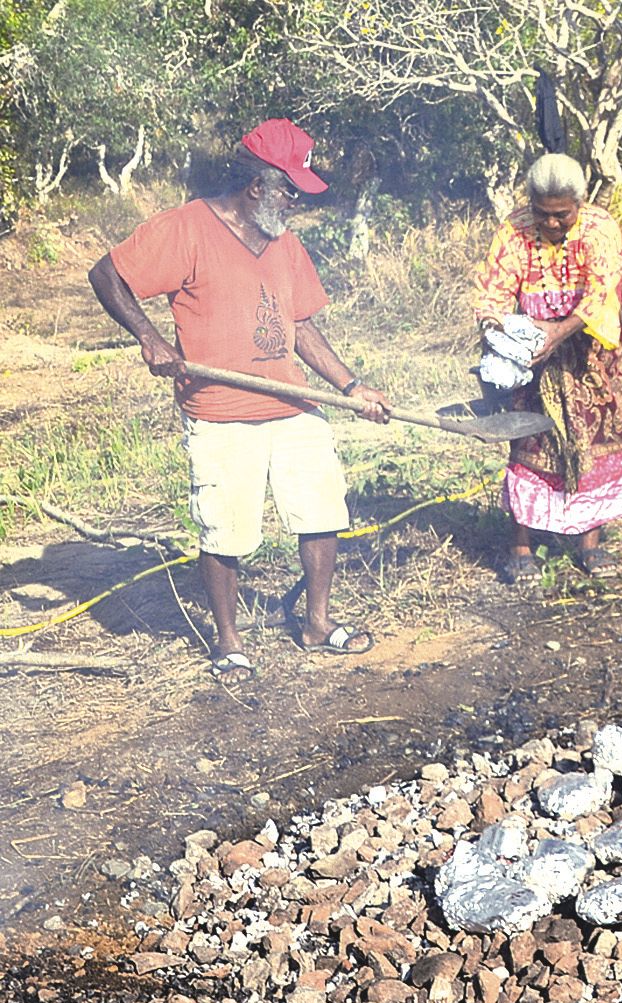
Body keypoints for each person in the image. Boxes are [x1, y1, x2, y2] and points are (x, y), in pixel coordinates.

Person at [88, 119, 390, 685]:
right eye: (291, 191)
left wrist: (351, 387)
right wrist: (150, 338)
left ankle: (317, 624)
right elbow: (106, 274)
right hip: (221, 411)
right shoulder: (187, 229)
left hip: (292, 405)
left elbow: (301, 326)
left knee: (322, 507)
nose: (297, 203)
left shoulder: (285, 243)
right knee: (225, 530)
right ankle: (228, 642)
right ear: (257, 187)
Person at [473, 152, 622, 581]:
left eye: (562, 214)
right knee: (530, 442)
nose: (551, 223)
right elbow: (493, 292)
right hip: (533, 356)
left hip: (592, 351)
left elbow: (601, 294)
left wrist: (558, 333)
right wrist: (500, 332)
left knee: (594, 441)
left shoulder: (600, 229)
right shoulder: (514, 230)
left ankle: (589, 542)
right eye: (542, 213)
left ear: (579, 203)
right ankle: (520, 544)